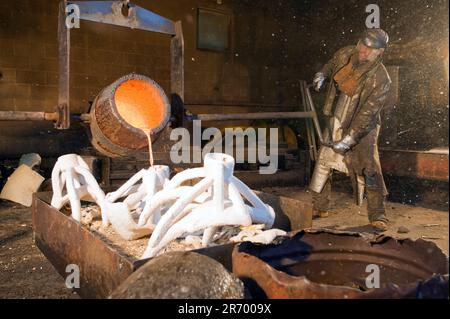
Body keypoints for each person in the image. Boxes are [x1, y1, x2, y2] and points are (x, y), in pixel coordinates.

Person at [310, 28, 391, 231]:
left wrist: (349, 139)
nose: (363, 52)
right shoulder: (346, 53)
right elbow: (331, 65)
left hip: (363, 125)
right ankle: (320, 207)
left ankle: (377, 214)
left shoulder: (381, 79)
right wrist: (322, 74)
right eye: (362, 46)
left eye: (369, 50)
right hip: (338, 113)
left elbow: (367, 113)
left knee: (368, 166)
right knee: (324, 160)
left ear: (380, 52)